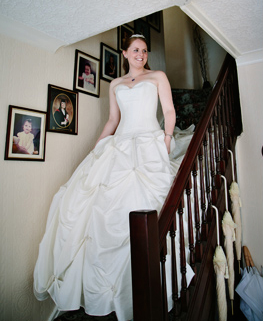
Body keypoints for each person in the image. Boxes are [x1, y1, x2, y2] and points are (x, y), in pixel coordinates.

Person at [33, 34, 193, 320]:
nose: (140, 54)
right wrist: (97, 148)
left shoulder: (158, 76)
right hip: (120, 144)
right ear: (125, 53)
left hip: (149, 143)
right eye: (135, 50)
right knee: (105, 209)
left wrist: (166, 140)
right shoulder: (115, 84)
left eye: (144, 50)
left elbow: (169, 111)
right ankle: (111, 286)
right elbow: (113, 120)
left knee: (150, 202)